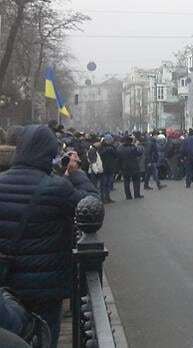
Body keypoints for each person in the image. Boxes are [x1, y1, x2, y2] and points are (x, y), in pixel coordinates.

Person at [0, 125, 98, 346]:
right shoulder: (56, 187)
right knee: (43, 338)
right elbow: (92, 206)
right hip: (44, 290)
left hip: (6, 286)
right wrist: (76, 174)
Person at [117, 136, 144, 200]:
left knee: (126, 182)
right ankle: (136, 194)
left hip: (124, 167)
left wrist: (119, 168)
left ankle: (128, 196)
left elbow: (118, 159)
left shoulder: (120, 148)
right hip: (134, 167)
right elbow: (139, 153)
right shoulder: (133, 147)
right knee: (136, 181)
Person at [97, 135, 119, 203]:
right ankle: (105, 198)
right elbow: (116, 155)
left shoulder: (101, 147)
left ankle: (105, 198)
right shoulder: (111, 148)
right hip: (107, 167)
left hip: (105, 167)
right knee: (105, 184)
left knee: (104, 184)